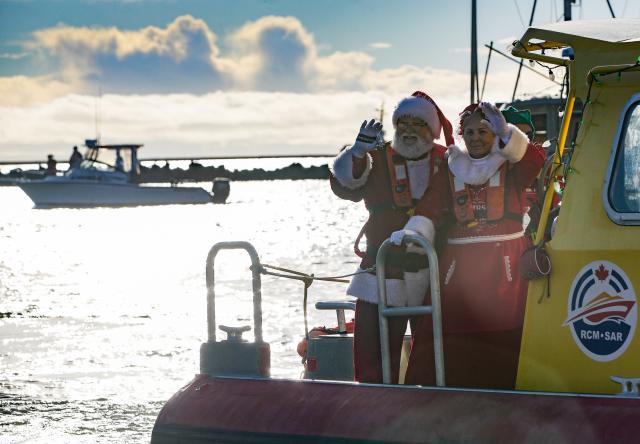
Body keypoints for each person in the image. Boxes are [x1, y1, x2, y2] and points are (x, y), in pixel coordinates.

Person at [395, 102, 545, 389]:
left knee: (506, 331)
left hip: (505, 265)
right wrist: (412, 232)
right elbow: (431, 207)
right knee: (453, 331)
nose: (476, 137)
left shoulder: (511, 166)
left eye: (484, 131)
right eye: (470, 132)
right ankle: (452, 389)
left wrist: (506, 132)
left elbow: (535, 161)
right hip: (459, 268)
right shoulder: (451, 168)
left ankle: (506, 391)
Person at [329, 91, 454, 384]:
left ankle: (427, 402)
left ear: (432, 129)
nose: (409, 130)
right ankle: (373, 402)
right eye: (403, 122)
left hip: (434, 269)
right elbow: (346, 189)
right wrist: (356, 155)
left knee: (436, 350)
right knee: (373, 348)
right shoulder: (377, 157)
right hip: (382, 267)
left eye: (417, 123)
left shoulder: (447, 161)